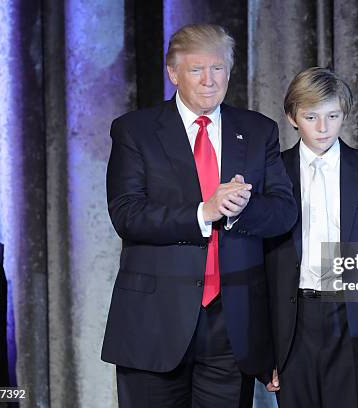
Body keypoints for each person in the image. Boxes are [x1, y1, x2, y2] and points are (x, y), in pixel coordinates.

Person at [101, 23, 297, 408]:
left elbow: (283, 212)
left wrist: (242, 210)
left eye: (218, 68)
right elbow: (127, 214)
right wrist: (203, 212)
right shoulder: (135, 131)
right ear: (173, 74)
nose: (209, 80)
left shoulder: (258, 131)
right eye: (196, 70)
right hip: (154, 323)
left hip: (232, 326)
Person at [265, 67, 358, 408]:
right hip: (293, 323)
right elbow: (261, 266)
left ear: (344, 115)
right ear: (292, 117)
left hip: (352, 318)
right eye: (311, 116)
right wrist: (264, 351)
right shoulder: (273, 172)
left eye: (332, 116)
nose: (323, 128)